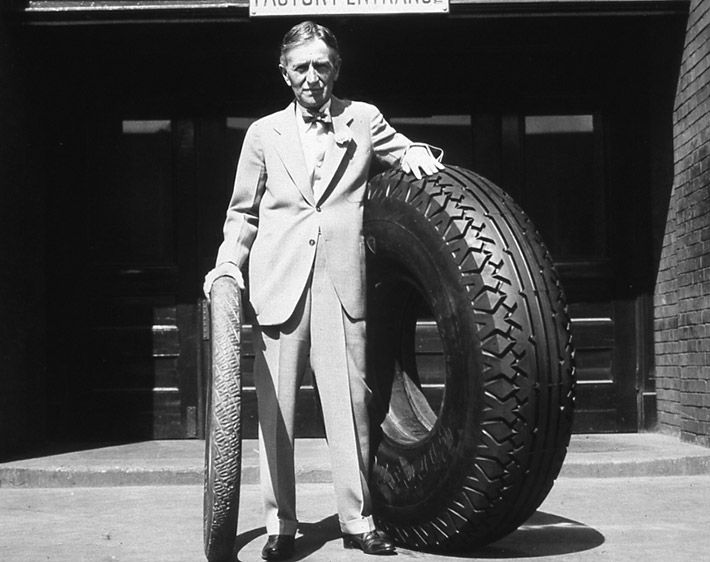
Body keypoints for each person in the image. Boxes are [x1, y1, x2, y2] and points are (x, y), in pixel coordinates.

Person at [203, 21, 443, 561]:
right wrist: (226, 267)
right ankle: (280, 527)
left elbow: (401, 150)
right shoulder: (262, 134)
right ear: (284, 72)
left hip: (341, 285)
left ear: (337, 68)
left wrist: (418, 156)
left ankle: (357, 520)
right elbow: (241, 213)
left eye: (323, 65)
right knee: (277, 416)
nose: (313, 76)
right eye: (301, 66)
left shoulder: (363, 118)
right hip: (279, 284)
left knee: (351, 409)